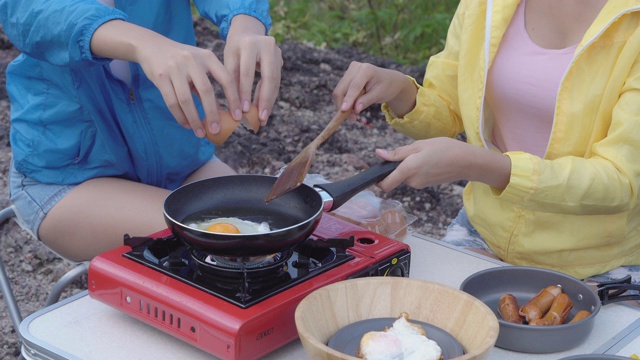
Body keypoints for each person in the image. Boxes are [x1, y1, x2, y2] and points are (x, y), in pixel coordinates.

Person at [332, 0, 640, 281]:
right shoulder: (485, 5)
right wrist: (400, 91)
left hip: (600, 262)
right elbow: (450, 109)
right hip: (483, 230)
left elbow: (620, 180)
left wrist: (479, 165)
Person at [0, 0, 282, 261]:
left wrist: (246, 23)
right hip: (68, 178)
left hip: (181, 163)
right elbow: (31, 11)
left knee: (274, 232)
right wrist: (143, 43)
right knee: (226, 246)